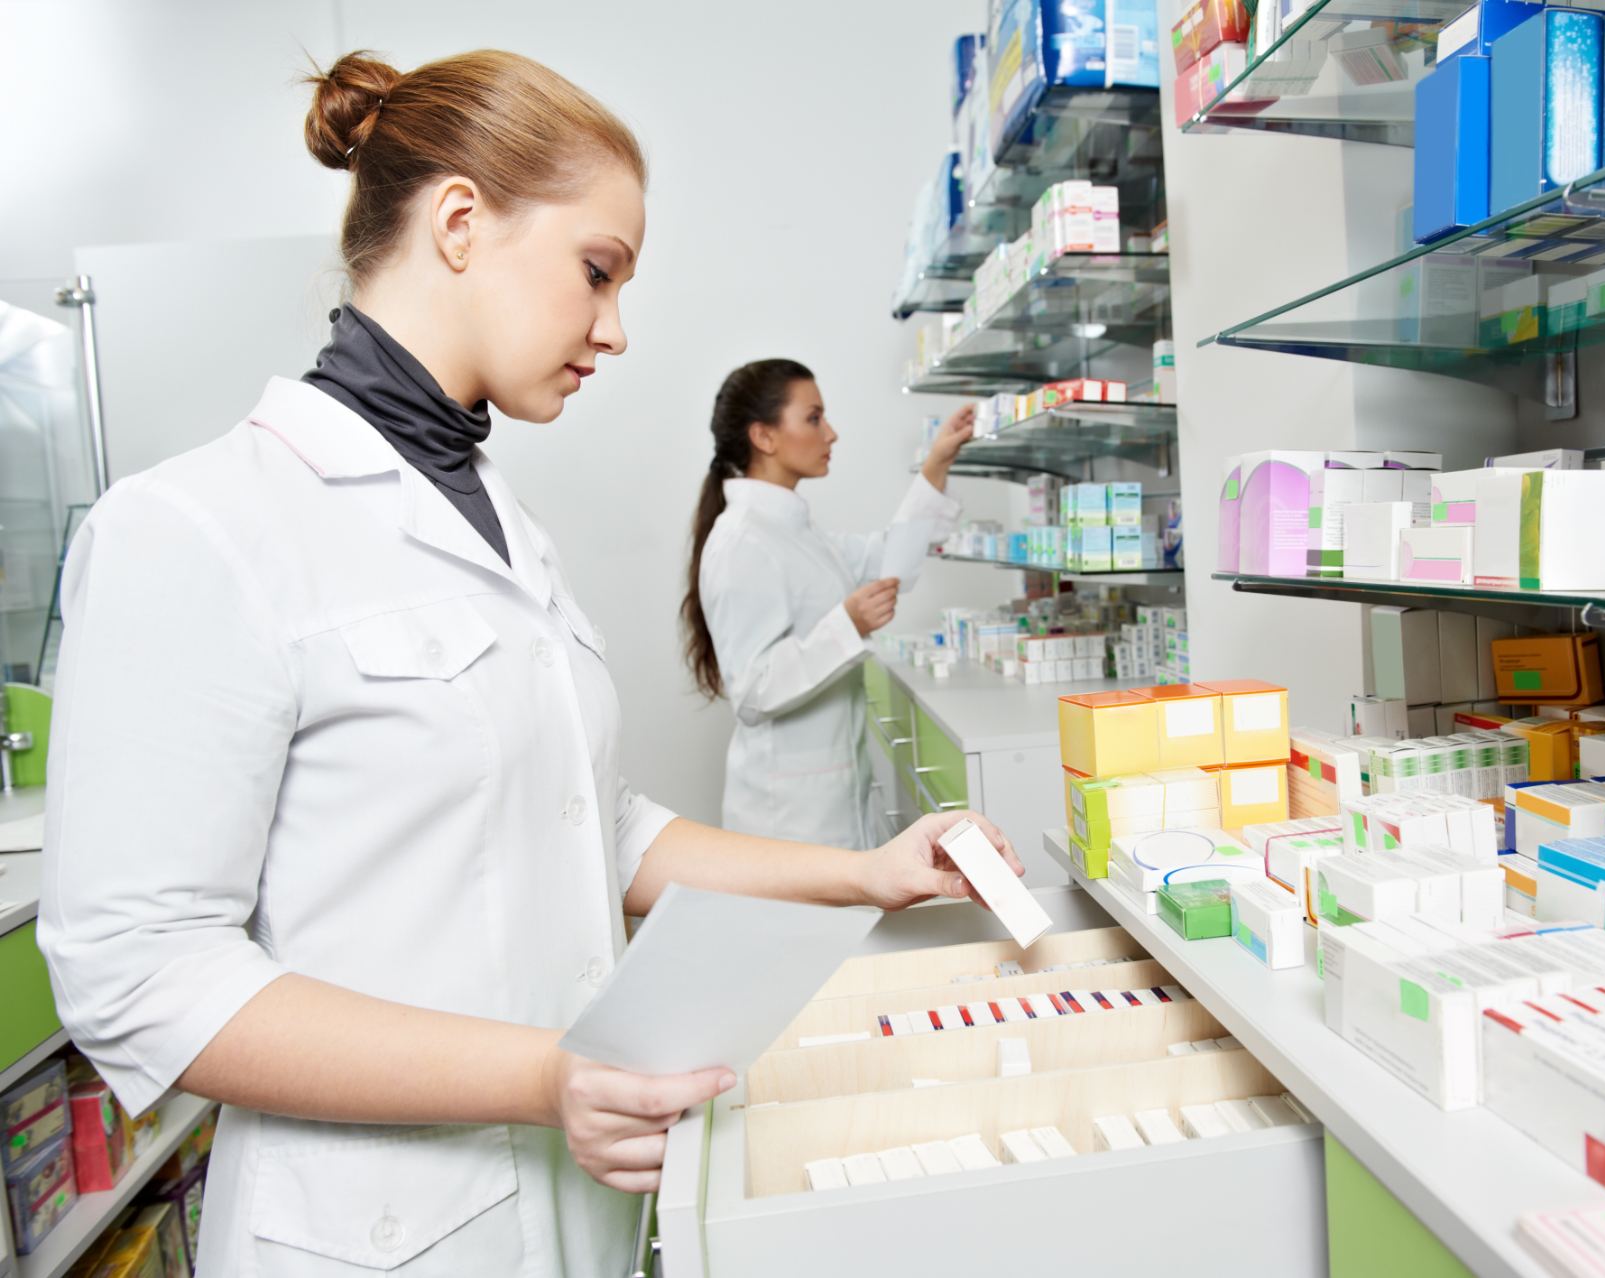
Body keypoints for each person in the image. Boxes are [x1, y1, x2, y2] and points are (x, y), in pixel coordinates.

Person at [36, 50, 1019, 1277]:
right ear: (459, 221)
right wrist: (541, 1075)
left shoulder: (499, 523)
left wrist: (865, 874)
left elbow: (594, 826)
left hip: (575, 1209)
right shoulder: (196, 526)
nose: (615, 330)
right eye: (597, 272)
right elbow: (140, 973)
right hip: (379, 1234)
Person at [681, 362, 974, 848]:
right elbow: (752, 692)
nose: (831, 433)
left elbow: (886, 560)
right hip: (788, 812)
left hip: (830, 794)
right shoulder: (741, 542)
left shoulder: (798, 533)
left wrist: (936, 463)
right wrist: (848, 624)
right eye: (814, 418)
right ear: (764, 436)